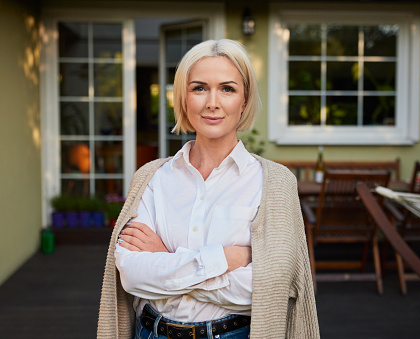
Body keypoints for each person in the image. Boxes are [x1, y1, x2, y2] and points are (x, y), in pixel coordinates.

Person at [97, 39, 320, 339]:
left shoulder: (274, 184)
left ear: (244, 99)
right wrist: (228, 259)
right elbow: (133, 275)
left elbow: (270, 287)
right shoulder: (152, 178)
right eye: (199, 88)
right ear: (184, 98)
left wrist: (167, 259)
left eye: (227, 89)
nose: (212, 102)